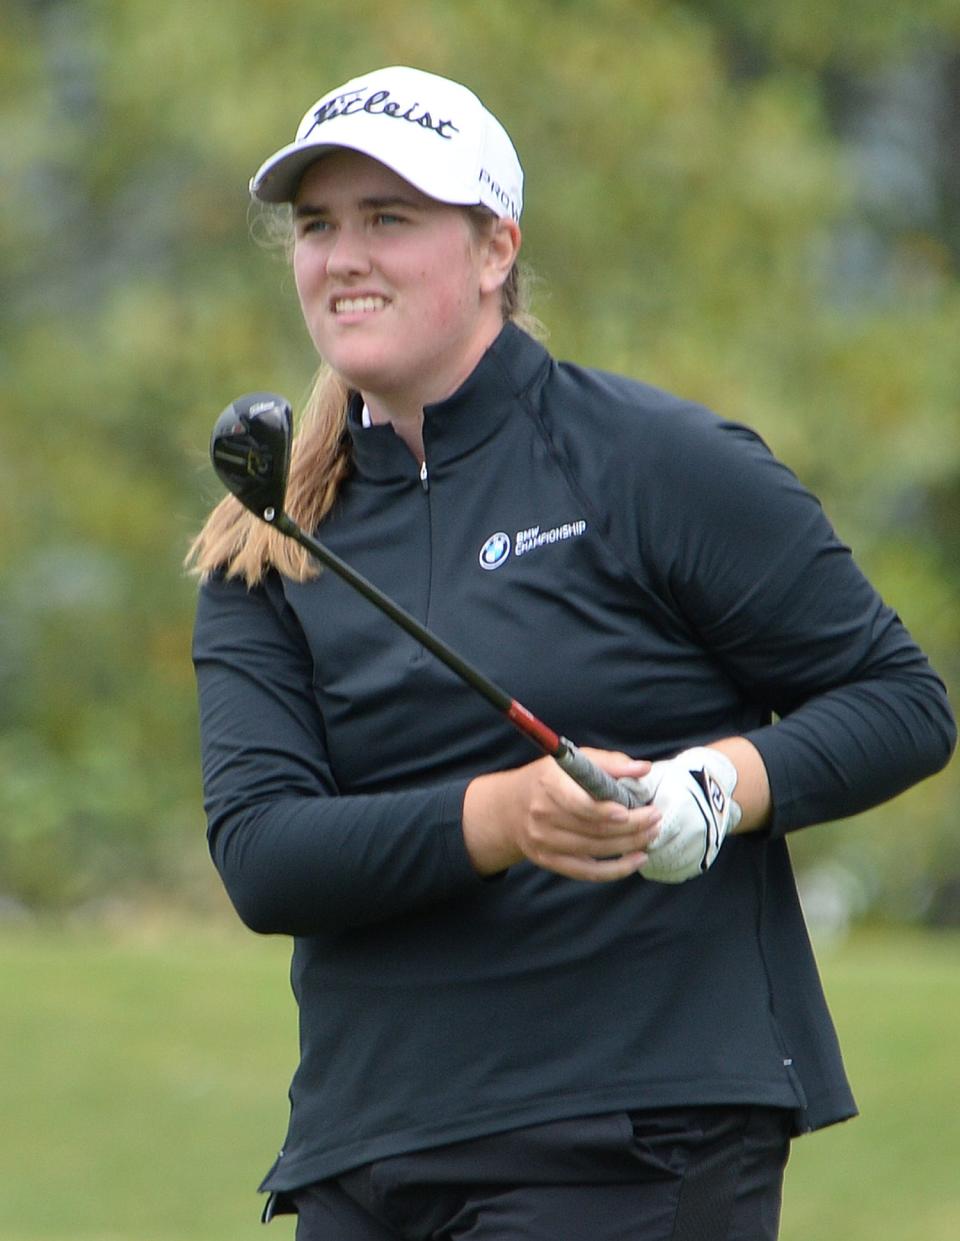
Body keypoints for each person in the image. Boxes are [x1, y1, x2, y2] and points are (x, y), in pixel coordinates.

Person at [187, 65, 956, 1241]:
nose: (343, 256)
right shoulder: (269, 531)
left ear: (496, 248)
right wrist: (504, 816)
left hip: (636, 1133)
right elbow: (264, 856)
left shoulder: (652, 461)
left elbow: (902, 702)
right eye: (317, 225)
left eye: (388, 218)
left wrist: (719, 785)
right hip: (369, 1153)